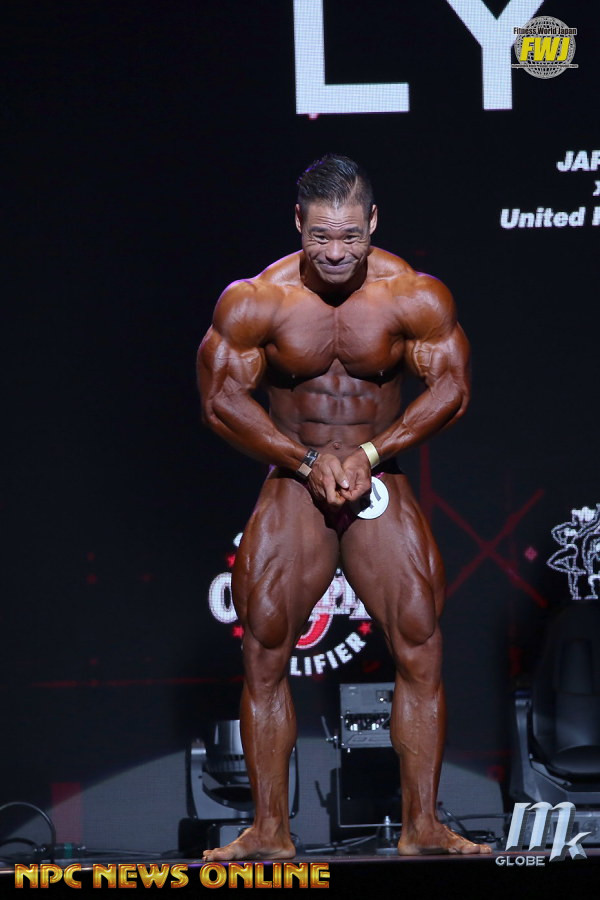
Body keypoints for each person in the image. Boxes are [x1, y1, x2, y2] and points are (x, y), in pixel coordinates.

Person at [197, 154, 490, 858]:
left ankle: (421, 826)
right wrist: (305, 460)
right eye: (321, 236)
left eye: (351, 236)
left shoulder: (412, 296)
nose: (335, 252)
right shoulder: (256, 301)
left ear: (374, 222)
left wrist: (370, 452)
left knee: (420, 641)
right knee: (265, 648)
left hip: (376, 475)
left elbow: (452, 390)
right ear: (298, 223)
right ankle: (270, 831)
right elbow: (221, 401)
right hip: (293, 478)